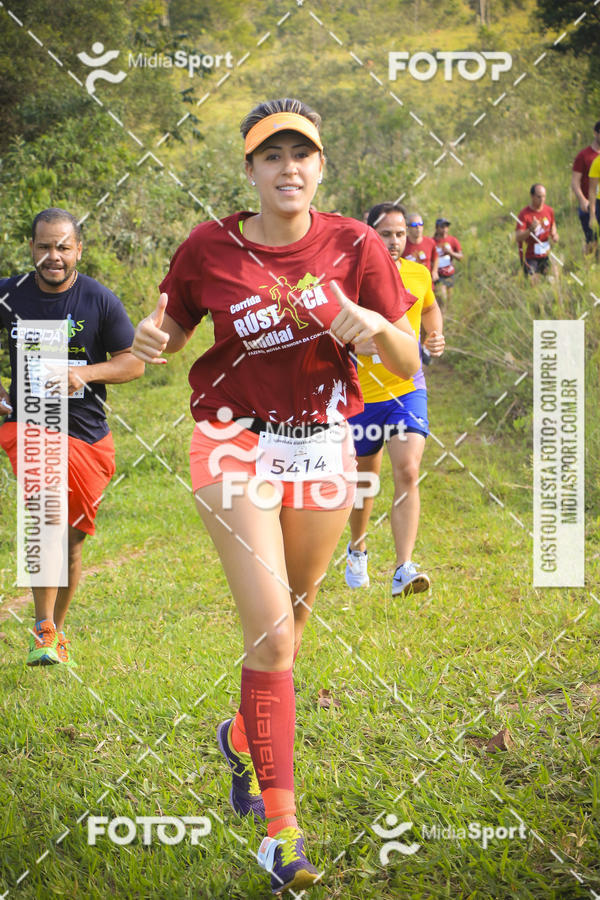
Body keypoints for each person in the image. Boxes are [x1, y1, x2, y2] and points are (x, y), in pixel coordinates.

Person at [132, 98, 419, 895]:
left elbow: (405, 362)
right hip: (233, 440)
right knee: (277, 643)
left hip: (324, 441)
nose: (289, 167)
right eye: (272, 155)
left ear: (321, 166)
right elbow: (168, 333)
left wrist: (366, 321)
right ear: (250, 170)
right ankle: (281, 835)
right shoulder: (208, 247)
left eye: (303, 153)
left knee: (289, 622)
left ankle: (238, 738)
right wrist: (150, 343)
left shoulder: (357, 245)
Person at [0, 208, 143, 666]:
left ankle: (56, 632)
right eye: (44, 246)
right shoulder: (9, 294)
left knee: (73, 539)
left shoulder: (99, 300)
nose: (53, 256)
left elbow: (133, 361)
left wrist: (85, 374)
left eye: (63, 246)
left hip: (85, 433)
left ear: (78, 249)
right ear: (32, 248)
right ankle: (42, 627)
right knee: (44, 516)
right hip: (31, 424)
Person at [346, 202, 444, 596]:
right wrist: (362, 344)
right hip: (363, 396)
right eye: (385, 233)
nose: (395, 241)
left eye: (401, 233)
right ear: (369, 234)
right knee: (364, 483)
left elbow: (430, 309)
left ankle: (404, 568)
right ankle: (357, 548)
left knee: (407, 470)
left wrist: (434, 336)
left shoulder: (418, 275)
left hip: (407, 389)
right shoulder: (351, 279)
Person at [515, 184, 559, 284]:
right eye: (539, 197)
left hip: (545, 254)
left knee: (556, 275)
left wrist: (554, 234)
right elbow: (517, 236)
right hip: (530, 257)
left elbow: (552, 224)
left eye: (544, 196)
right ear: (532, 196)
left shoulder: (549, 210)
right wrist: (530, 229)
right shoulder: (524, 214)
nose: (542, 199)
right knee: (534, 283)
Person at [571, 121, 600, 255]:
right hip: (589, 203)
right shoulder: (584, 156)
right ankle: (587, 265)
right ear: (595, 133)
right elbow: (575, 182)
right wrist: (582, 199)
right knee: (592, 241)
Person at [433, 217, 462, 306]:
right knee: (442, 297)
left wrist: (450, 252)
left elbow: (460, 257)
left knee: (449, 299)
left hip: (449, 273)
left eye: (446, 227)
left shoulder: (452, 240)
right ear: (437, 228)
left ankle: (447, 316)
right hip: (437, 274)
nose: (445, 229)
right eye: (442, 227)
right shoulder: (432, 242)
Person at [402, 212, 439, 283]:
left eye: (420, 224)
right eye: (414, 225)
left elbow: (435, 258)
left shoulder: (430, 242)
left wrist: (434, 271)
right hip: (409, 286)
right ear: (408, 228)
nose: (418, 227)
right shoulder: (402, 243)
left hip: (427, 285)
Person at [586, 151, 600, 252]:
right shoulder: (597, 163)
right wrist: (592, 215)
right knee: (593, 240)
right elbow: (592, 190)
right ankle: (588, 262)